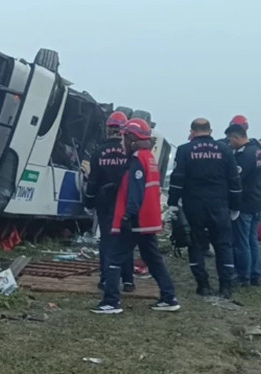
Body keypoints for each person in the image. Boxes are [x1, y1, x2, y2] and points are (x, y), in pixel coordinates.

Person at [90, 118, 180, 314]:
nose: (121, 143)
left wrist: (127, 216)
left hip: (136, 220)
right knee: (154, 259)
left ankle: (111, 301)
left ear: (131, 138)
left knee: (114, 258)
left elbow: (135, 192)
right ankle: (169, 296)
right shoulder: (149, 158)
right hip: (147, 220)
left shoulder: (138, 159)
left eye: (124, 138)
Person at [167, 118, 241, 299]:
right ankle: (226, 287)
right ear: (211, 131)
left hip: (194, 206)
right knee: (223, 245)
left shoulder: (184, 150)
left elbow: (177, 179)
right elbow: (234, 181)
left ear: (192, 131)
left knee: (196, 245)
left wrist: (172, 203)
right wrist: (235, 206)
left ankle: (203, 285)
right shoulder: (225, 149)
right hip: (220, 204)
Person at [84, 111, 135, 292]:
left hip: (104, 202)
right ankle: (128, 280)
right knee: (126, 240)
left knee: (106, 240)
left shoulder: (99, 152)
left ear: (108, 129)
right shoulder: (130, 152)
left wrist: (89, 203)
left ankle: (105, 279)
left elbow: (93, 180)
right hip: (126, 201)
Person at [225, 123, 261, 286]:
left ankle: (243, 275)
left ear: (236, 137)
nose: (229, 143)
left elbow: (235, 179)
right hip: (256, 201)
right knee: (252, 241)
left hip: (244, 203)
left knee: (241, 241)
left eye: (230, 140)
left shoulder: (245, 155)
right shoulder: (258, 151)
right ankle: (255, 273)